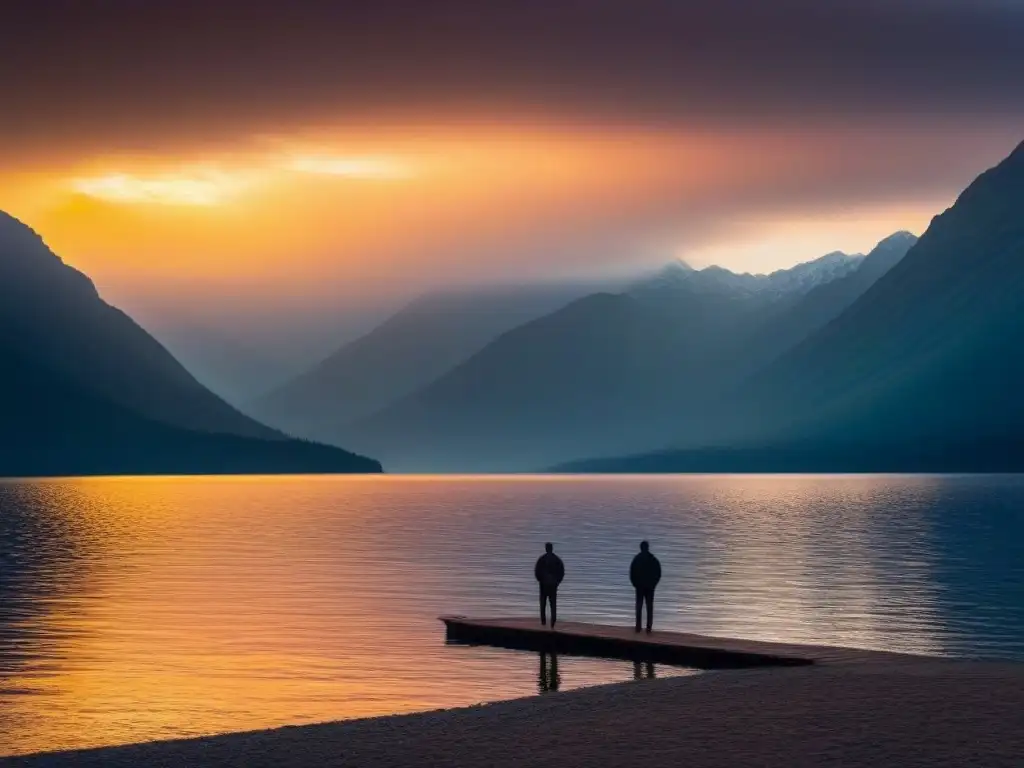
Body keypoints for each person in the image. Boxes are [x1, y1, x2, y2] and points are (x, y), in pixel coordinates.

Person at [630, 540, 661, 633]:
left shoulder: (637, 559)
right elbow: (658, 573)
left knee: (639, 606)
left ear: (641, 548)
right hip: (649, 587)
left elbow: (632, 573)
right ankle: (648, 628)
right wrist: (654, 584)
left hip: (640, 586)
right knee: (649, 607)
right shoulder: (653, 559)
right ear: (647, 548)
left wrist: (635, 584)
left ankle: (638, 627)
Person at [534, 542, 565, 628]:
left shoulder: (542, 559)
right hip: (552, 585)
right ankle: (552, 622)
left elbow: (537, 572)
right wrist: (557, 582)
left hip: (544, 585)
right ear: (552, 548)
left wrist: (540, 580)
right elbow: (561, 572)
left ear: (546, 548)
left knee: (543, 604)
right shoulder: (557, 560)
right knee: (553, 604)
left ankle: (543, 622)